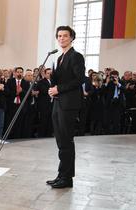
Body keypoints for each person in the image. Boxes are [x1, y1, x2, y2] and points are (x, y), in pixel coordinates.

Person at [46, 26, 85, 189]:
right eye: (59, 36)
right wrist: (52, 87)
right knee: (60, 140)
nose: (61, 38)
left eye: (65, 36)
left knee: (66, 140)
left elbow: (79, 79)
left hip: (68, 104)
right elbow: (60, 80)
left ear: (71, 38)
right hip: (58, 102)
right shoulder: (59, 57)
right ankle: (62, 174)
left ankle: (67, 178)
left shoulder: (76, 56)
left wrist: (58, 89)